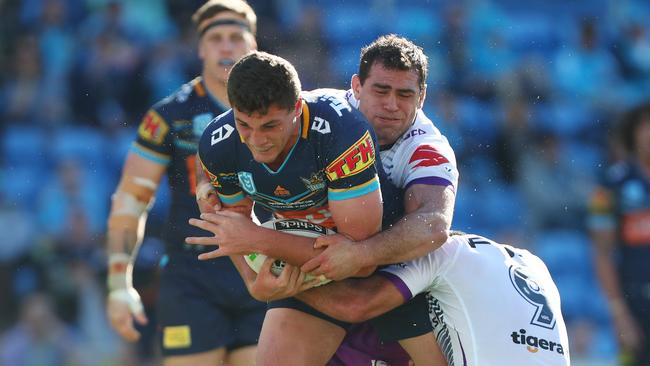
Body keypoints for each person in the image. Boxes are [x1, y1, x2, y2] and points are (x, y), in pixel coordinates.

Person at [188, 35, 459, 365]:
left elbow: (432, 225)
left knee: (356, 301)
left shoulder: (424, 148)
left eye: (404, 95)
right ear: (356, 88)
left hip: (391, 260)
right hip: (312, 250)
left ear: (422, 97)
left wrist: (361, 253)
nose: (391, 105)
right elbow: (221, 169)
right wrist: (252, 280)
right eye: (380, 91)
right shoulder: (305, 109)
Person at [105, 1, 265, 365]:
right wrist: (118, 283)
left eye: (235, 37)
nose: (226, 47)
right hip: (192, 274)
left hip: (264, 265)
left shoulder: (281, 109)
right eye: (215, 38)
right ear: (200, 48)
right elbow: (131, 200)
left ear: (253, 45)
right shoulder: (169, 115)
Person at [245, 231, 571, 365]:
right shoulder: (534, 264)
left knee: (386, 297)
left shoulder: (441, 252)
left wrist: (275, 280)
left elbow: (358, 304)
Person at [588, 101, 650, 366]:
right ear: (634, 133)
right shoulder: (612, 184)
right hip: (635, 306)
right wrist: (618, 313)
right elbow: (601, 252)